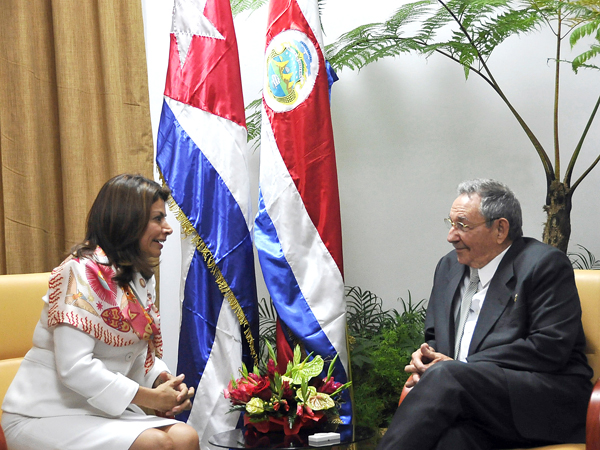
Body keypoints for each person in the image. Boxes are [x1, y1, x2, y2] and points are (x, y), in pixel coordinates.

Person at [377, 179, 593, 450]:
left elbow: (549, 347)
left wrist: (461, 365)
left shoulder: (543, 265)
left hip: (539, 401)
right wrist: (425, 357)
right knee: (452, 441)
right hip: (470, 405)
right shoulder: (448, 267)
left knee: (447, 375)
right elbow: (435, 337)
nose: (451, 235)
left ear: (500, 228)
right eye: (451, 223)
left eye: (462, 226)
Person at [1, 174, 200, 450]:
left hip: (102, 412)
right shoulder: (79, 272)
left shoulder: (139, 276)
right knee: (156, 444)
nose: (167, 228)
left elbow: (138, 352)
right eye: (157, 219)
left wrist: (161, 380)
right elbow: (75, 368)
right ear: (128, 220)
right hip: (44, 414)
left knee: (185, 437)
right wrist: (150, 399)